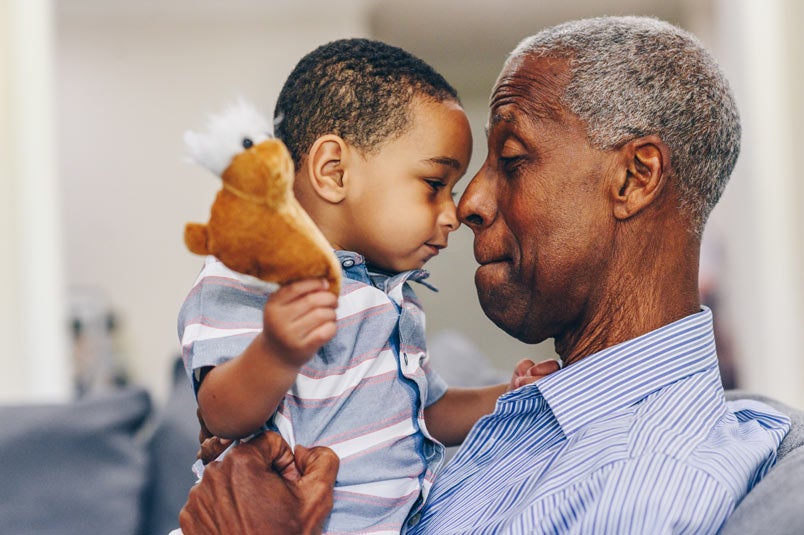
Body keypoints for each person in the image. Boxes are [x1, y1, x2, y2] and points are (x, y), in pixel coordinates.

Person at [178, 16, 792, 535]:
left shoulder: (639, 482)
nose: (467, 205)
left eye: (513, 159)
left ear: (634, 179)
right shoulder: (539, 416)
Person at [177, 38, 557, 534]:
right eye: (433, 185)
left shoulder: (391, 296)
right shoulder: (254, 273)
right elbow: (221, 412)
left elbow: (427, 412)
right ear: (334, 171)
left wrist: (509, 395)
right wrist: (276, 351)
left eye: (454, 191)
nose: (453, 214)